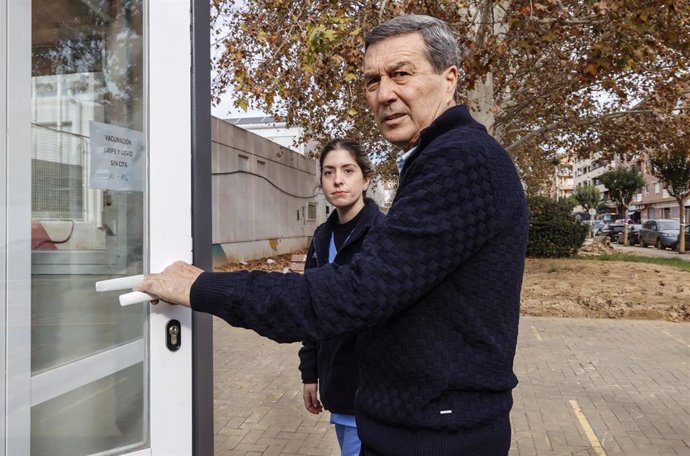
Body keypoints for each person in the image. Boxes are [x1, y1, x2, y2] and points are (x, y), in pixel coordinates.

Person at [136, 14, 528, 456]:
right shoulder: (434, 159)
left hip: (436, 437)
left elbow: (351, 295)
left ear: (449, 78)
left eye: (401, 74)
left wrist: (204, 286)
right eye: (371, 81)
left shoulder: (461, 161)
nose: (384, 94)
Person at [299, 138, 385, 456]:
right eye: (329, 172)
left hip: (373, 393)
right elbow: (310, 309)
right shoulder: (321, 238)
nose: (338, 180)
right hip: (337, 385)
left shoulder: (383, 234)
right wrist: (310, 373)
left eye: (348, 170)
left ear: (366, 178)